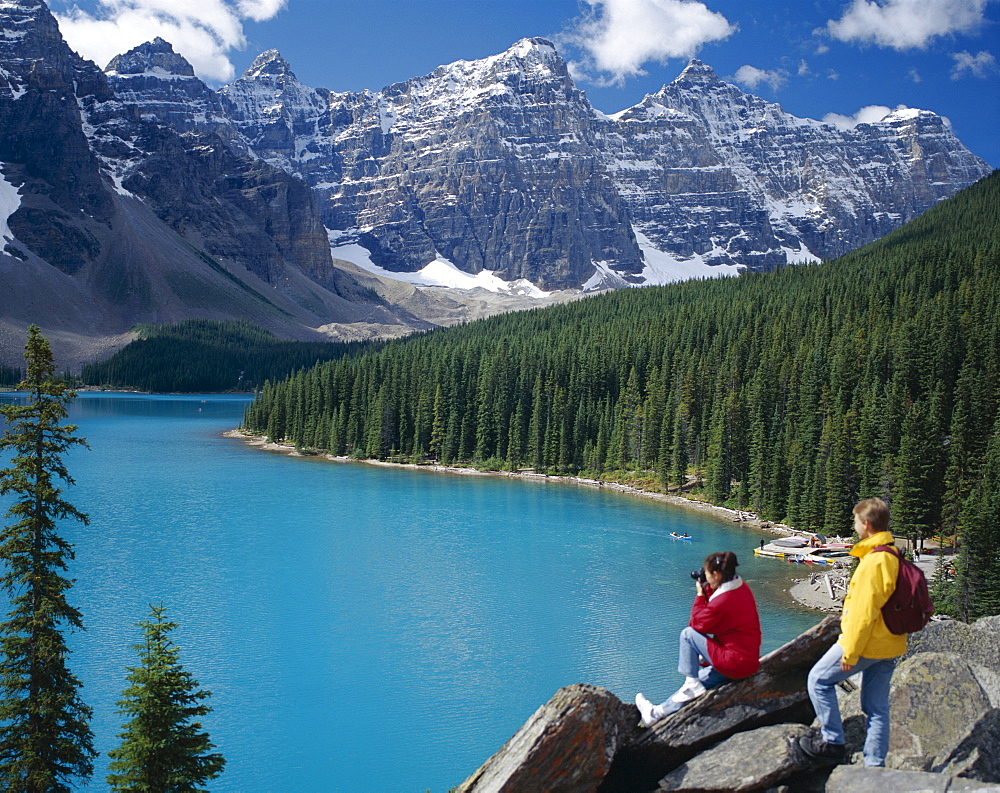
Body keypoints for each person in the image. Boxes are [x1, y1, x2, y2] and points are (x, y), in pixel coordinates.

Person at [799, 497, 906, 767]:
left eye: (856, 521)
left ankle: (832, 741)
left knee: (818, 680)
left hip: (867, 643)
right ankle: (874, 765)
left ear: (866, 524)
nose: (855, 525)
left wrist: (851, 651)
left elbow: (862, 614)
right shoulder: (892, 554)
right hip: (891, 643)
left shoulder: (872, 563)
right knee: (877, 708)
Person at [635, 551, 761, 727]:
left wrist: (700, 595)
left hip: (733, 661)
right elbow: (719, 620)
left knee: (687, 635)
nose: (705, 574)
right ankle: (655, 714)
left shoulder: (722, 601)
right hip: (747, 662)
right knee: (699, 680)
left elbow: (696, 624)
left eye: (707, 572)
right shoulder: (741, 588)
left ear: (716, 575)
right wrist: (708, 587)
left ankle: (691, 682)